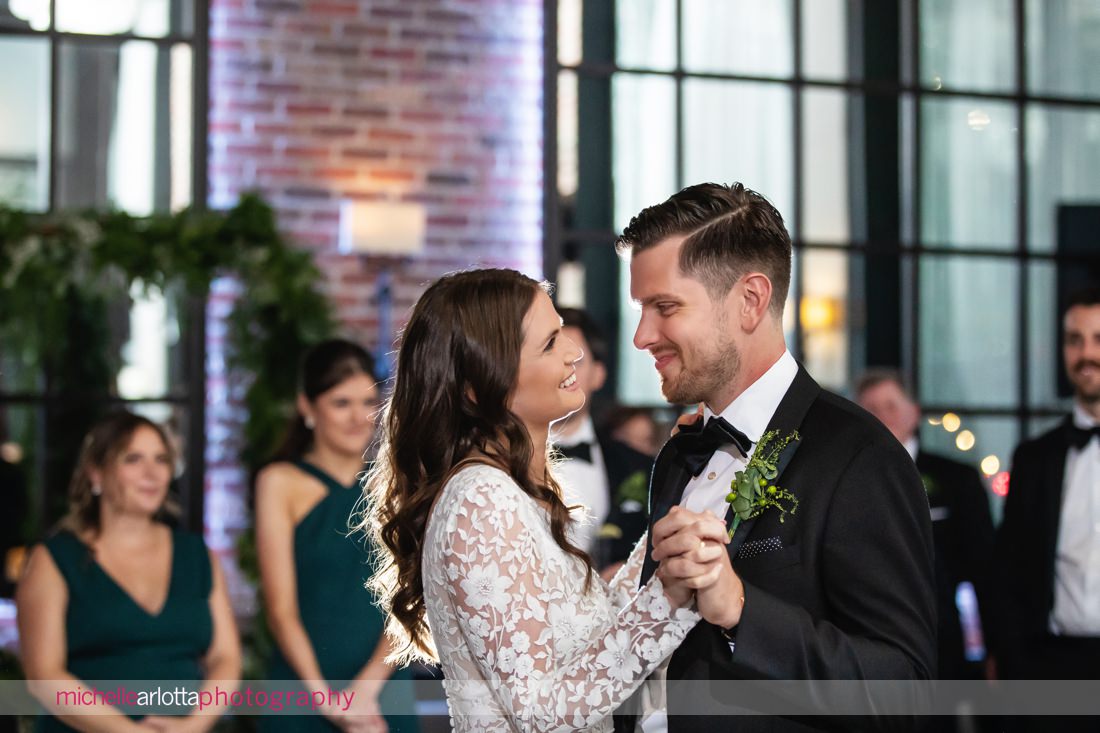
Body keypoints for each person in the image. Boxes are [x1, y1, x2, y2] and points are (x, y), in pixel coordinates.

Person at [616, 182, 937, 732]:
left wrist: (743, 609)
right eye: (642, 309)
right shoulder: (678, 455)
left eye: (664, 307)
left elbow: (903, 693)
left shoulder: (859, 456)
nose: (644, 336)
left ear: (750, 300)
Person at [362, 268, 728, 732]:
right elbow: (540, 712)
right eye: (552, 342)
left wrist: (685, 494)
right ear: (479, 388)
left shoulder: (509, 492)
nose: (575, 353)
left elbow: (592, 639)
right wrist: (669, 597)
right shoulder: (480, 501)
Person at [16, 411, 241, 732]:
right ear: (96, 474)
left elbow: (225, 657)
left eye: (161, 459)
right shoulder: (53, 559)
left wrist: (193, 726)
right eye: (133, 459)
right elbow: (44, 676)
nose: (152, 473)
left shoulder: (196, 555)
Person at [254, 339, 417, 733]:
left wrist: (366, 690)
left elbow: (412, 597)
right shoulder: (279, 482)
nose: (358, 417)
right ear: (307, 407)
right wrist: (326, 699)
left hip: (383, 687)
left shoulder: (397, 483)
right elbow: (280, 610)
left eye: (366, 403)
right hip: (303, 690)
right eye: (340, 403)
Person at [855, 369, 996, 683]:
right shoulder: (845, 482)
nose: (880, 417)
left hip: (944, 635)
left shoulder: (958, 479)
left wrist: (994, 648)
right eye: (870, 409)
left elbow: (985, 568)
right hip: (866, 644)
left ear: (913, 413)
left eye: (890, 406)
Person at [995, 286, 1100, 690]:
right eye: (1075, 340)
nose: (1085, 354)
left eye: (1097, 340)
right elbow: (1009, 567)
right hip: (1051, 667)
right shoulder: (1035, 457)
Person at [550, 308, 655, 569]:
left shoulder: (638, 466)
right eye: (550, 356)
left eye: (575, 361)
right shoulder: (501, 464)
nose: (563, 372)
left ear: (599, 375)